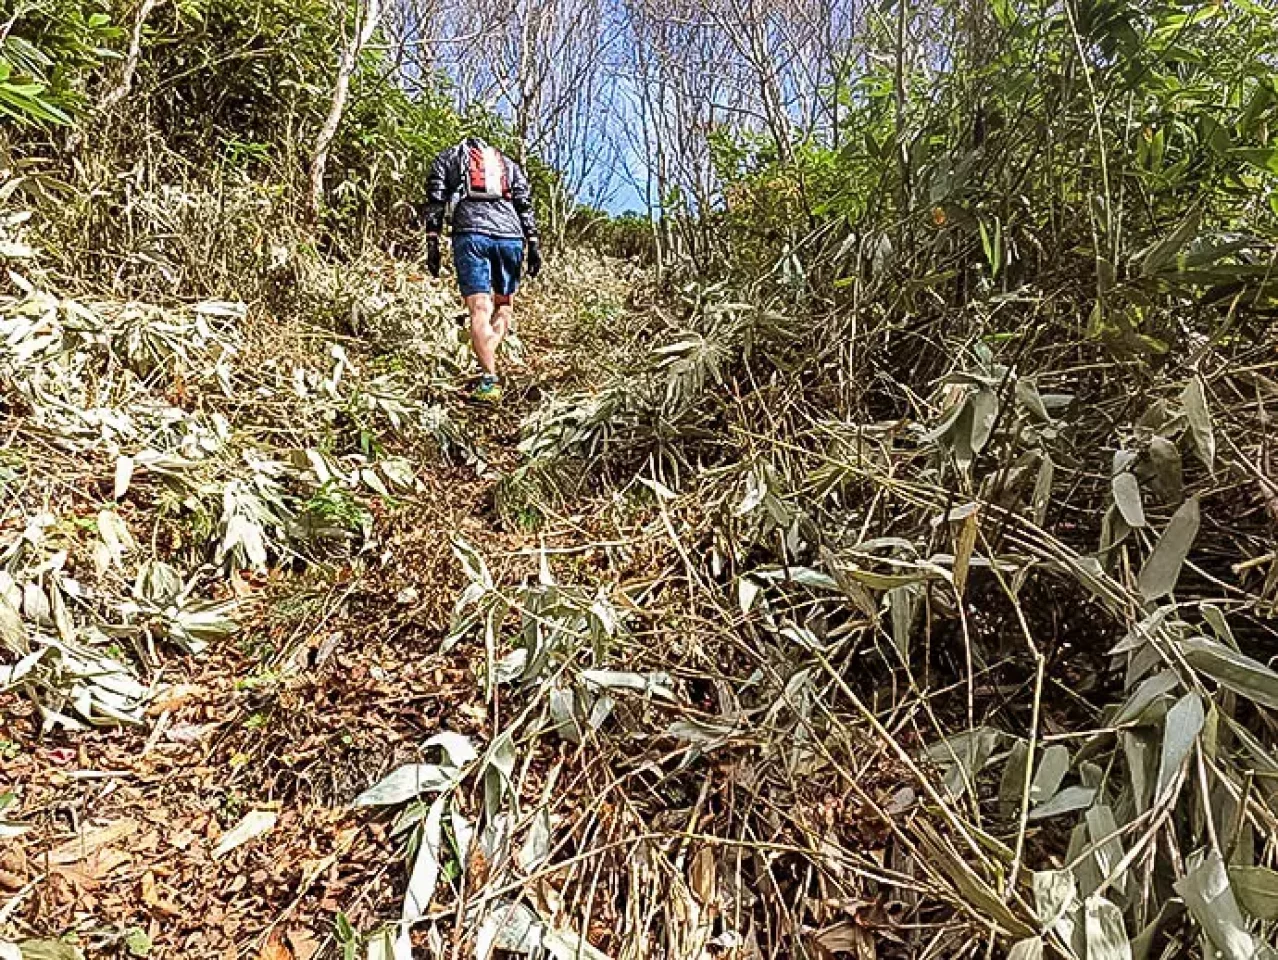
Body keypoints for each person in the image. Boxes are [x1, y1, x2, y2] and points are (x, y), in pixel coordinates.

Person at [422, 136, 542, 404]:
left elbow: (436, 198)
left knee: (479, 309)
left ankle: (490, 379)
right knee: (505, 306)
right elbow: (524, 203)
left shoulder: (449, 157)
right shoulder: (508, 164)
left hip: (471, 232)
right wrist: (533, 243)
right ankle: (491, 346)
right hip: (511, 237)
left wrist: (432, 242)